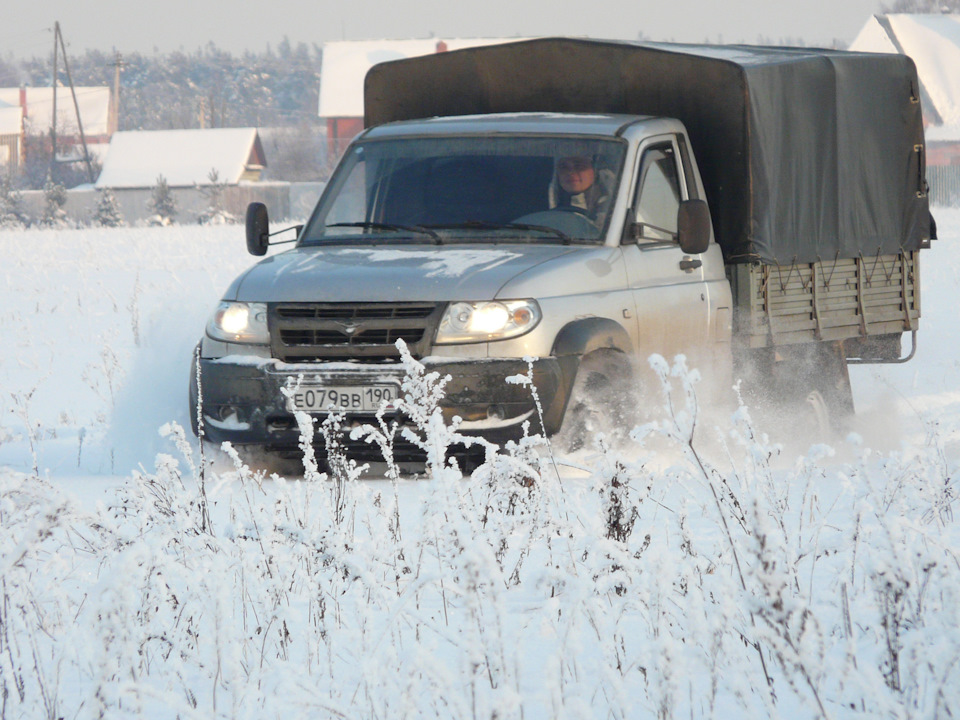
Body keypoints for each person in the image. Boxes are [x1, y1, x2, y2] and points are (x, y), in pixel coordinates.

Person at [550, 155, 613, 228]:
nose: (571, 172)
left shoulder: (615, 208)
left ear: (595, 171)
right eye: (564, 167)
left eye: (579, 166)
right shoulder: (542, 210)